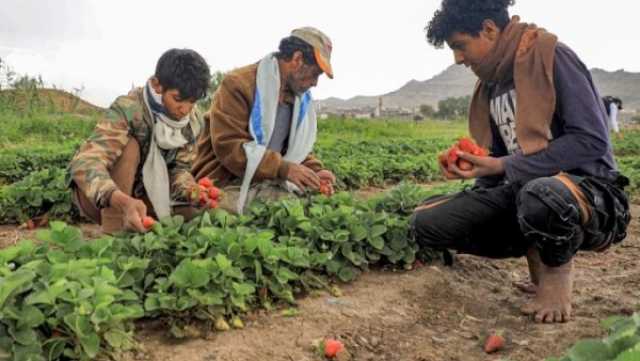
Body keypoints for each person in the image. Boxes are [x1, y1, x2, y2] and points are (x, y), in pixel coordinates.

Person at [413, 0, 631, 323]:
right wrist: (475, 168)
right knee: (426, 221)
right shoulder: (493, 85)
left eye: (460, 46)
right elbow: (502, 165)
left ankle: (555, 276)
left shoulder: (551, 56)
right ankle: (536, 250)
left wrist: (505, 167)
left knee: (541, 194)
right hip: (527, 196)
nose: (458, 59)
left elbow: (592, 140)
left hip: (590, 198)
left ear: (488, 29)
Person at [192, 27, 336, 214]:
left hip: (265, 179)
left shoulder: (297, 99)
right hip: (227, 180)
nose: (315, 83)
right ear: (297, 60)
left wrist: (315, 171)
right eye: (315, 73)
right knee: (281, 210)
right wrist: (283, 169)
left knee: (304, 208)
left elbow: (291, 150)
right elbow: (229, 146)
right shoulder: (238, 84)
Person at [69, 48, 211, 233]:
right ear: (157, 85)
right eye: (178, 99)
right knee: (131, 147)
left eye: (192, 102)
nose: (185, 109)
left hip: (145, 197)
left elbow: (179, 169)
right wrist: (121, 200)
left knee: (193, 214)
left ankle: (138, 224)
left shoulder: (192, 121)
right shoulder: (129, 108)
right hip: (104, 198)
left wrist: (191, 191)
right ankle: (114, 232)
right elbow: (85, 163)